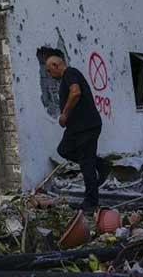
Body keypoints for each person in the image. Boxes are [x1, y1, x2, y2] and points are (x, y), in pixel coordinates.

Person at [45, 54, 111, 211]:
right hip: (76, 129)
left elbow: (75, 92)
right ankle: (101, 165)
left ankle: (91, 203)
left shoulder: (70, 73)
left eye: (49, 71)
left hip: (87, 127)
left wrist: (64, 114)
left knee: (86, 163)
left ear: (55, 65)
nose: (49, 74)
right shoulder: (66, 78)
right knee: (64, 150)